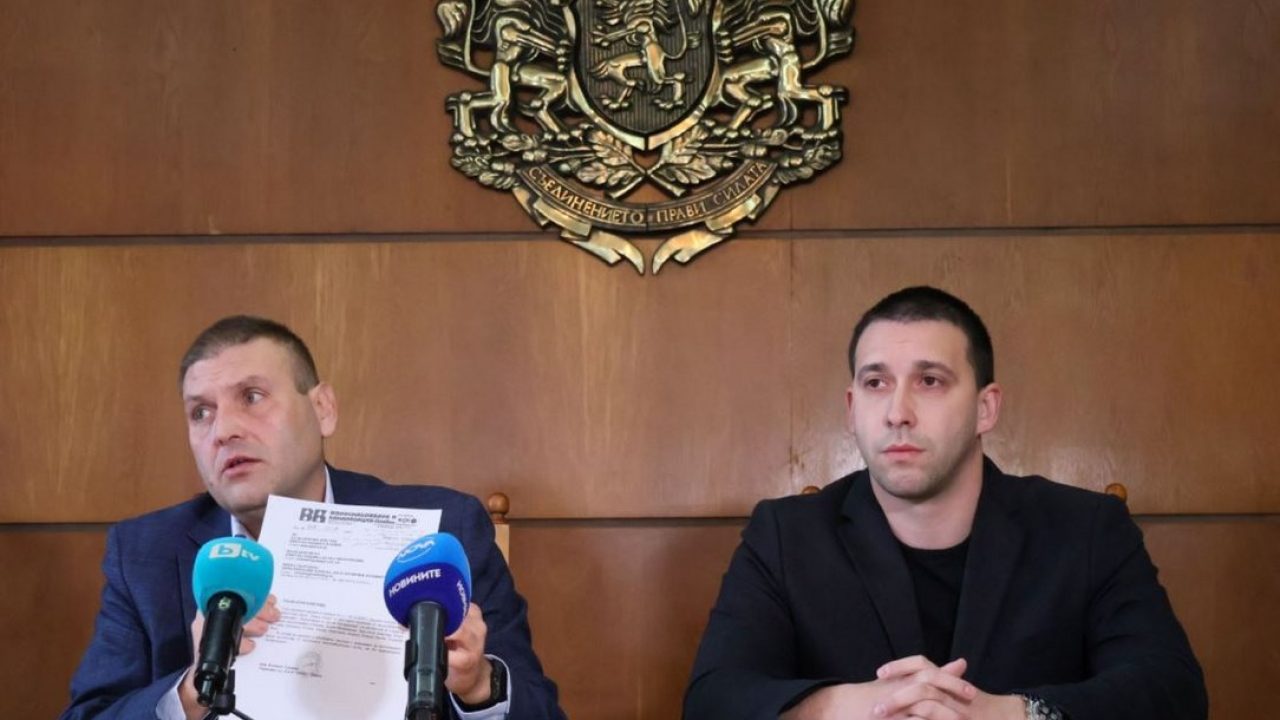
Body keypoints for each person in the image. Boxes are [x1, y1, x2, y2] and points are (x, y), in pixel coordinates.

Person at [684, 286, 1207, 720]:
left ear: (985, 408)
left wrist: (1012, 715)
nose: (897, 412)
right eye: (876, 383)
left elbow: (1172, 692)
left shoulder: (1087, 529)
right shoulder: (784, 535)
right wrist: (844, 707)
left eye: (930, 381)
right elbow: (712, 699)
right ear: (851, 408)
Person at [62, 315, 566, 720]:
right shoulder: (144, 552)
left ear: (323, 409)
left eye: (252, 397)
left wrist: (478, 685)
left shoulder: (441, 528)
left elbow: (541, 711)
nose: (224, 430)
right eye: (201, 412)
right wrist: (193, 691)